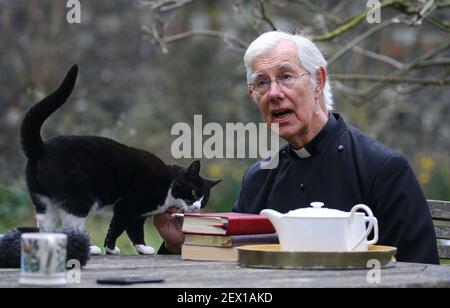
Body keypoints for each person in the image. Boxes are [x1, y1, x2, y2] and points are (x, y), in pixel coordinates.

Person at [154, 31, 439, 264]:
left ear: (319, 82)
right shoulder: (259, 177)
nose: (274, 93)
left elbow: (419, 272)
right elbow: (232, 267)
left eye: (286, 76)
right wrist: (182, 245)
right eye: (262, 83)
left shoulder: (382, 169)